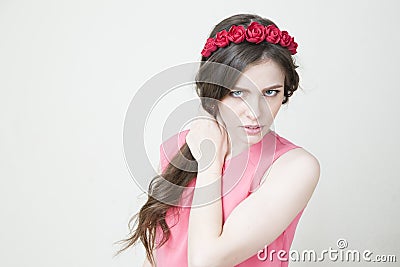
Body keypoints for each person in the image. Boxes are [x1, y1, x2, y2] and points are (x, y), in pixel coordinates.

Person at [116, 13, 320, 267]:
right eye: (237, 92)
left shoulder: (294, 167)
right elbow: (160, 252)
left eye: (270, 92)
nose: (255, 111)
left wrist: (209, 164)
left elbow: (207, 262)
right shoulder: (180, 145)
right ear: (214, 88)